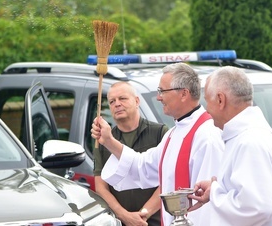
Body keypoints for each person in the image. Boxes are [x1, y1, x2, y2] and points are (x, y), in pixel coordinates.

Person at [91, 63, 225, 225]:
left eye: (162, 91)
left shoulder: (206, 135)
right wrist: (109, 141)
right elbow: (143, 166)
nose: (158, 97)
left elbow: (206, 203)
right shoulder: (172, 134)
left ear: (183, 94)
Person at [188, 66, 272, 226]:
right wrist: (219, 186)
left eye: (207, 101)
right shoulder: (253, 135)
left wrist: (215, 193)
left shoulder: (249, 142)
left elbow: (256, 209)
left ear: (220, 99)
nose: (207, 110)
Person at [93, 81, 169, 226]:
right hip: (119, 221)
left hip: (155, 220)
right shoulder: (103, 139)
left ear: (137, 101)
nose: (117, 104)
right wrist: (125, 216)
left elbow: (168, 179)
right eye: (112, 101)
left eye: (122, 98)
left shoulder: (160, 133)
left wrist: (143, 214)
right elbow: (101, 187)